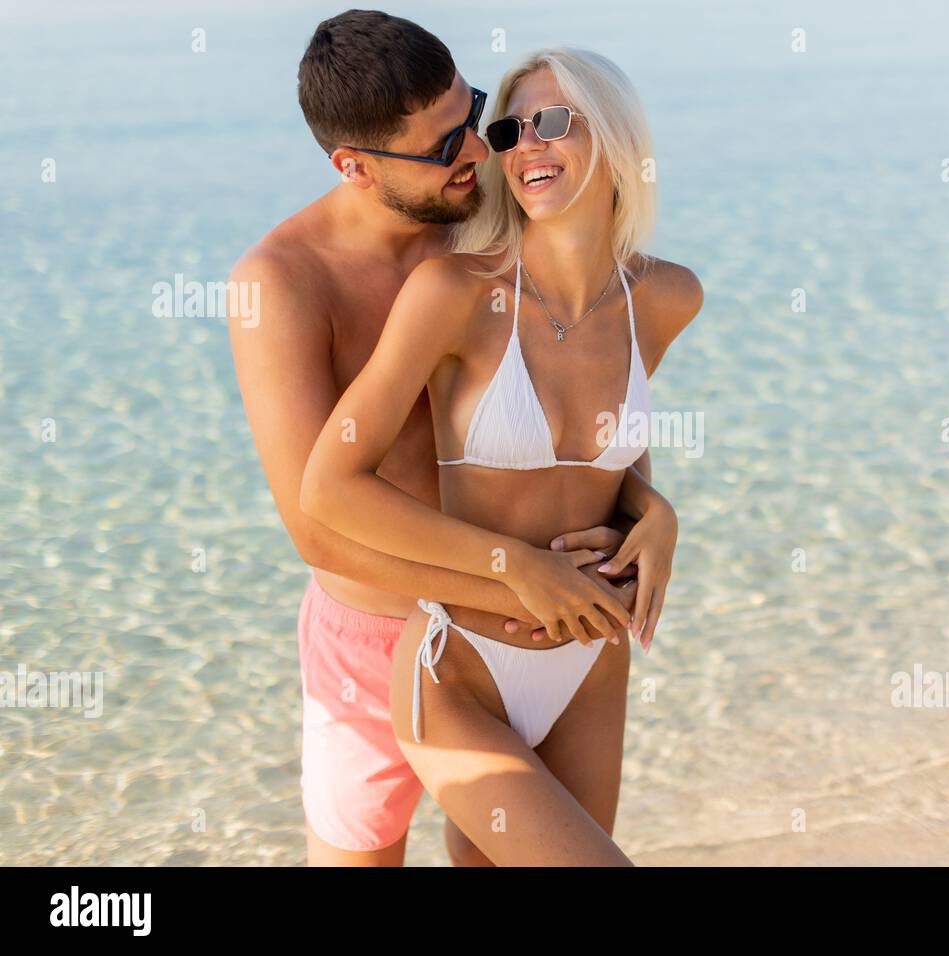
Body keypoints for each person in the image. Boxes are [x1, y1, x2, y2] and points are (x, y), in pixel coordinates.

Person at [227, 11, 674, 866]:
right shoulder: (283, 282)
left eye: (469, 113)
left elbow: (584, 409)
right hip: (382, 640)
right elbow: (316, 527)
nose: (475, 151)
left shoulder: (488, 225)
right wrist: (514, 582)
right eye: (439, 149)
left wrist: (652, 506)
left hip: (532, 631)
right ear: (353, 166)